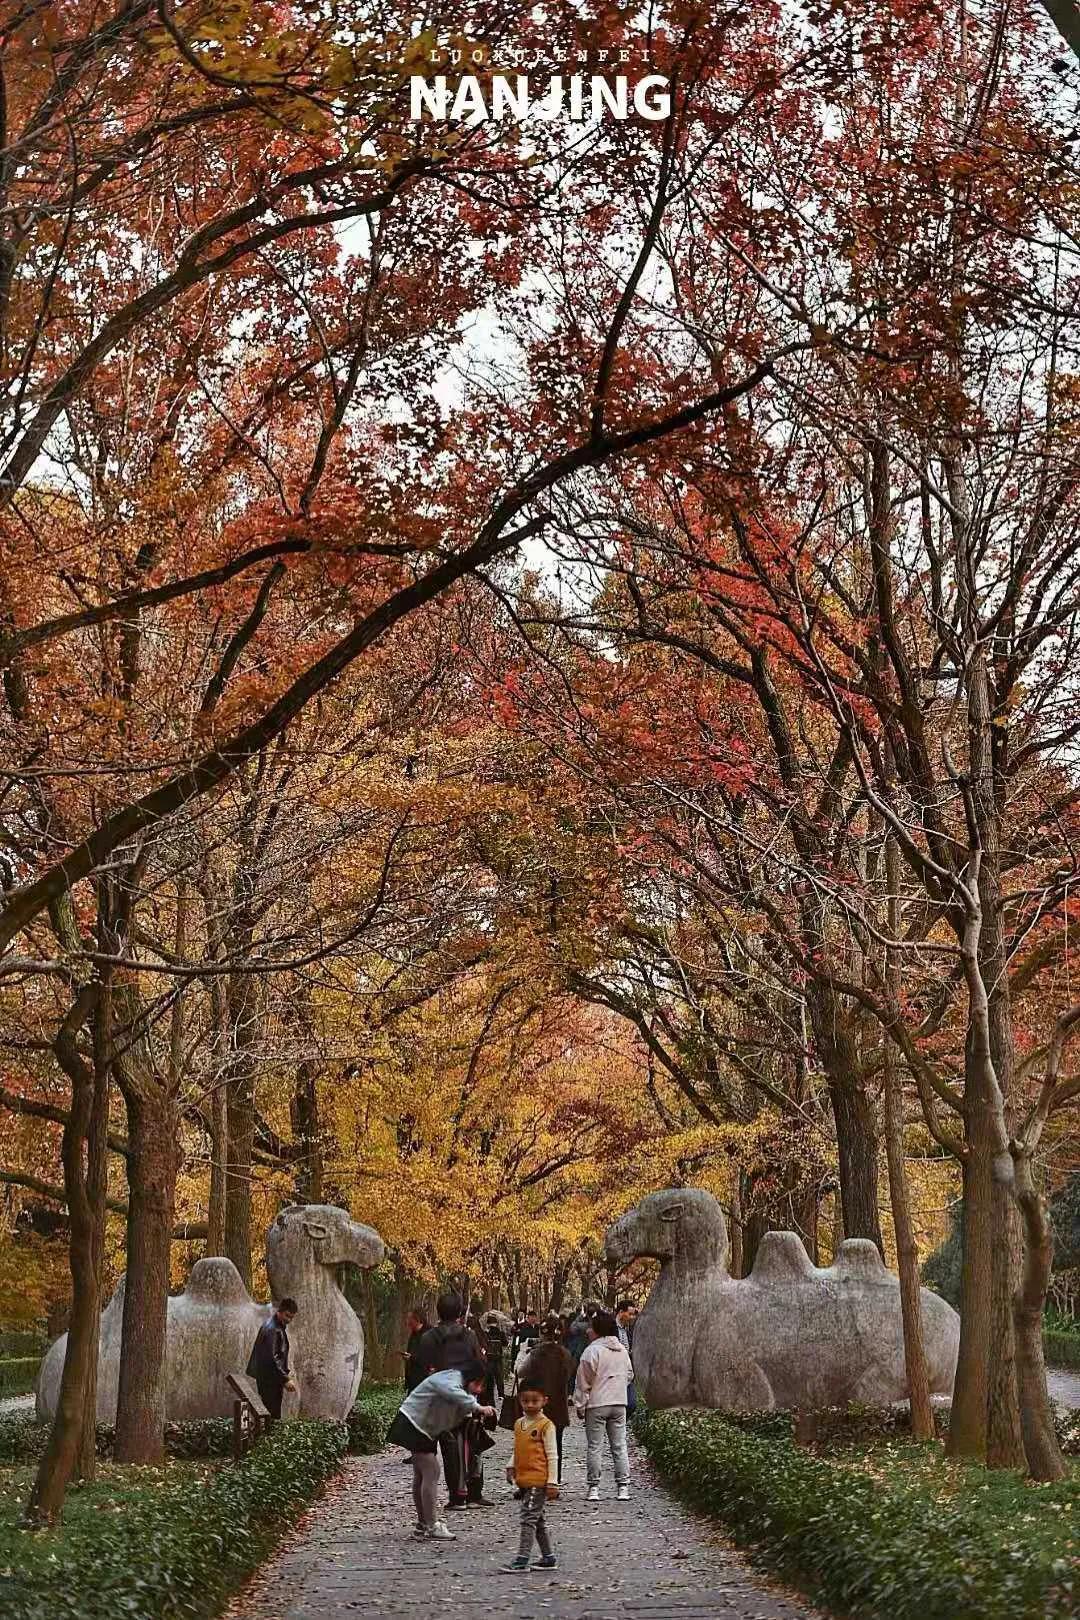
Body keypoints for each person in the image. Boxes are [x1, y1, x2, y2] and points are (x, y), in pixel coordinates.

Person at [387, 1357, 495, 1542]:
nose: (478, 1389)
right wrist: (478, 1407)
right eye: (478, 1384)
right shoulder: (451, 1379)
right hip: (415, 1425)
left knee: (422, 1474)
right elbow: (452, 1393)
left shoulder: (454, 1380)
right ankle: (431, 1525)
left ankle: (423, 1524)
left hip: (418, 1426)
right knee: (431, 1471)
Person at [417, 1293, 494, 1510]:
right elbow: (480, 1362)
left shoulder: (429, 1337)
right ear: (460, 1312)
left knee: (450, 1446)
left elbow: (422, 1367)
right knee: (471, 1442)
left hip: (440, 1398)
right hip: (466, 1395)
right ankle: (473, 1492)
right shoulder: (469, 1336)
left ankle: (457, 1496)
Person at [573, 1309, 634, 1502]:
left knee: (595, 1447)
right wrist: (617, 1386)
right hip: (619, 1403)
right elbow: (630, 1375)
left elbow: (583, 1382)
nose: (588, 1331)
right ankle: (623, 1487)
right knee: (619, 1446)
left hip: (597, 1404)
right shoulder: (622, 1350)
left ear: (597, 1330)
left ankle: (594, 1488)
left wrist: (580, 1405)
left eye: (590, 1327)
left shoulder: (592, 1351)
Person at [503, 1379, 559, 1573]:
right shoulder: (519, 1424)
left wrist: (552, 1482)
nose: (530, 1405)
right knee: (538, 1519)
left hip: (538, 1480)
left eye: (535, 1401)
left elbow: (552, 1455)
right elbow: (518, 1448)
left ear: (544, 1401)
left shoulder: (546, 1425)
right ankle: (548, 1557)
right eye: (526, 1401)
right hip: (524, 1480)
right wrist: (511, 1466)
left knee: (528, 1518)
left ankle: (522, 1559)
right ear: (520, 1401)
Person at [517, 1315, 574, 1482]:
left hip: (537, 1405)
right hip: (559, 1407)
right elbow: (570, 1374)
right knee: (556, 1445)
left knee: (534, 1445)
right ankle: (554, 1479)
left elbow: (520, 1371)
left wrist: (522, 1352)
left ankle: (534, 1478)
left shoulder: (535, 1354)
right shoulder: (566, 1354)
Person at [246, 1296, 298, 1420]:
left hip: (270, 1378)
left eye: (291, 1317)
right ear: (279, 1311)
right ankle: (268, 1438)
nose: (289, 1320)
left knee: (270, 1415)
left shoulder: (275, 1326)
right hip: (269, 1380)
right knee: (272, 1416)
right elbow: (272, 1357)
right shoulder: (273, 1329)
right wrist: (285, 1379)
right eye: (287, 1315)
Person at [402, 1307, 431, 1392]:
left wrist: (412, 1358)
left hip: (425, 1382)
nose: (407, 1322)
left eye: (410, 1319)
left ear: (417, 1319)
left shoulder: (430, 1334)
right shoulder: (413, 1334)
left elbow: (428, 1357)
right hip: (413, 1382)